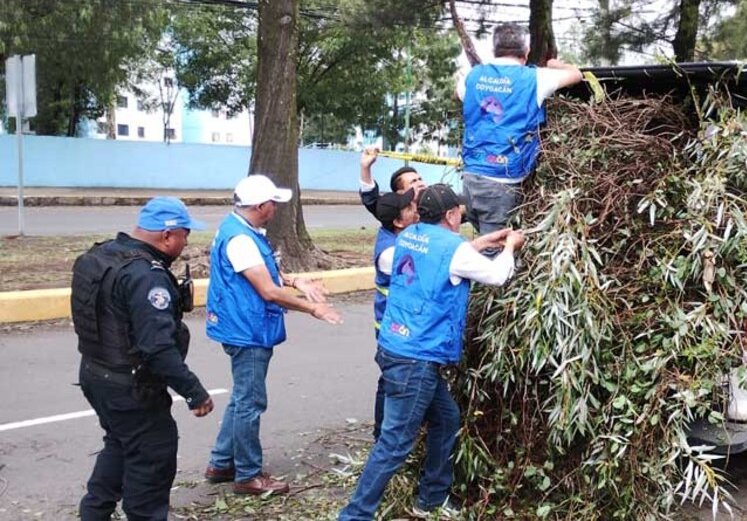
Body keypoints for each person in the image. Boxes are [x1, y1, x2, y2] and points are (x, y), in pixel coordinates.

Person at [339, 184, 523, 520]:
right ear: (452, 214)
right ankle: (355, 515)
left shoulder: (408, 237)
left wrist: (481, 243)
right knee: (394, 444)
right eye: (459, 211)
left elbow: (439, 257)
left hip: (396, 345)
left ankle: (431, 499)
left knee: (446, 418)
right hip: (417, 358)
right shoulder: (453, 248)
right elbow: (498, 276)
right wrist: (510, 245)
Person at [71, 196, 214, 520]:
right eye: (184, 235)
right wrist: (194, 392)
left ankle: (94, 512)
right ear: (167, 236)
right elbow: (157, 348)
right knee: (151, 458)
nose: (186, 242)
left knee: (121, 444)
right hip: (131, 387)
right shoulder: (146, 276)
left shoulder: (101, 255)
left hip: (96, 374)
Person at [204, 174, 344, 495]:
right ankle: (248, 476)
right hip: (247, 330)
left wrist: (296, 281)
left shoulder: (241, 229)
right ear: (260, 206)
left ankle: (222, 462)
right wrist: (313, 308)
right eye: (273, 203)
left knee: (241, 397)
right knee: (250, 401)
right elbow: (267, 290)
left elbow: (263, 269)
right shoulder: (240, 238)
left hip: (241, 323)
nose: (276, 208)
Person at [456, 23, 583, 235]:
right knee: (494, 252)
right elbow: (576, 74)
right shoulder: (535, 78)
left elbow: (459, 93)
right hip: (500, 181)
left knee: (484, 241)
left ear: (494, 50)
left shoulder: (473, 76)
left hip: (471, 175)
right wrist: (553, 63)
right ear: (526, 52)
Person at [367, 188, 420, 440]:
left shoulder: (397, 236)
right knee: (391, 384)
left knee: (389, 382)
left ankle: (384, 437)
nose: (416, 210)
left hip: (396, 326)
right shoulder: (391, 253)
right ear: (398, 222)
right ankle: (383, 438)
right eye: (409, 208)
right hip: (392, 329)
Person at [359, 147, 427, 218]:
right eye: (413, 181)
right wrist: (365, 167)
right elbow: (371, 200)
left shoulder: (435, 205)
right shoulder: (393, 213)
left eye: (420, 179)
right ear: (400, 192)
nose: (420, 184)